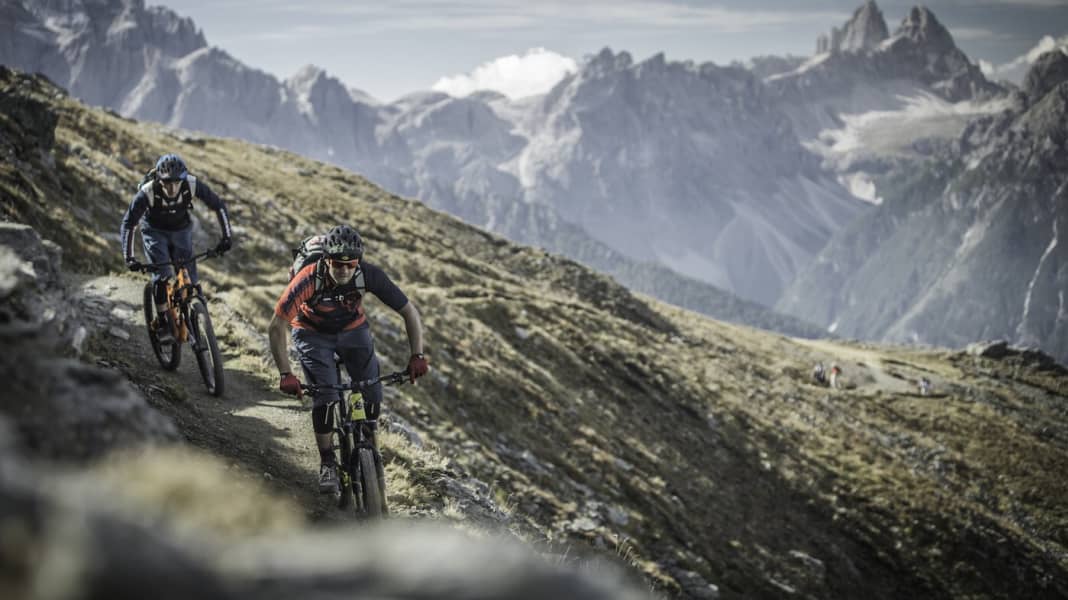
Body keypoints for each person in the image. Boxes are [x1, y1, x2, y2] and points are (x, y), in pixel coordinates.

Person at [268, 224, 428, 493]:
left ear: (358, 262)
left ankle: (368, 447)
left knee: (373, 394)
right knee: (327, 397)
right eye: (336, 264)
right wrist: (286, 373)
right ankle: (328, 461)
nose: (343, 270)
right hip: (311, 333)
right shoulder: (308, 279)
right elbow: (277, 326)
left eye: (350, 265)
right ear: (326, 260)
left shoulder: (369, 275)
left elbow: (409, 312)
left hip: (353, 331)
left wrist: (418, 355)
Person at [120, 154, 233, 343]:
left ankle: (197, 313)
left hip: (181, 229)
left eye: (176, 183)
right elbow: (129, 223)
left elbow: (218, 206)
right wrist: (129, 257)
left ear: (183, 179)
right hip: (154, 231)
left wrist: (227, 237)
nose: (172, 188)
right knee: (162, 274)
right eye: (166, 183)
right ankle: (164, 322)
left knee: (190, 277)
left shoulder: (192, 184)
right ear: (159, 180)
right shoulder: (148, 192)